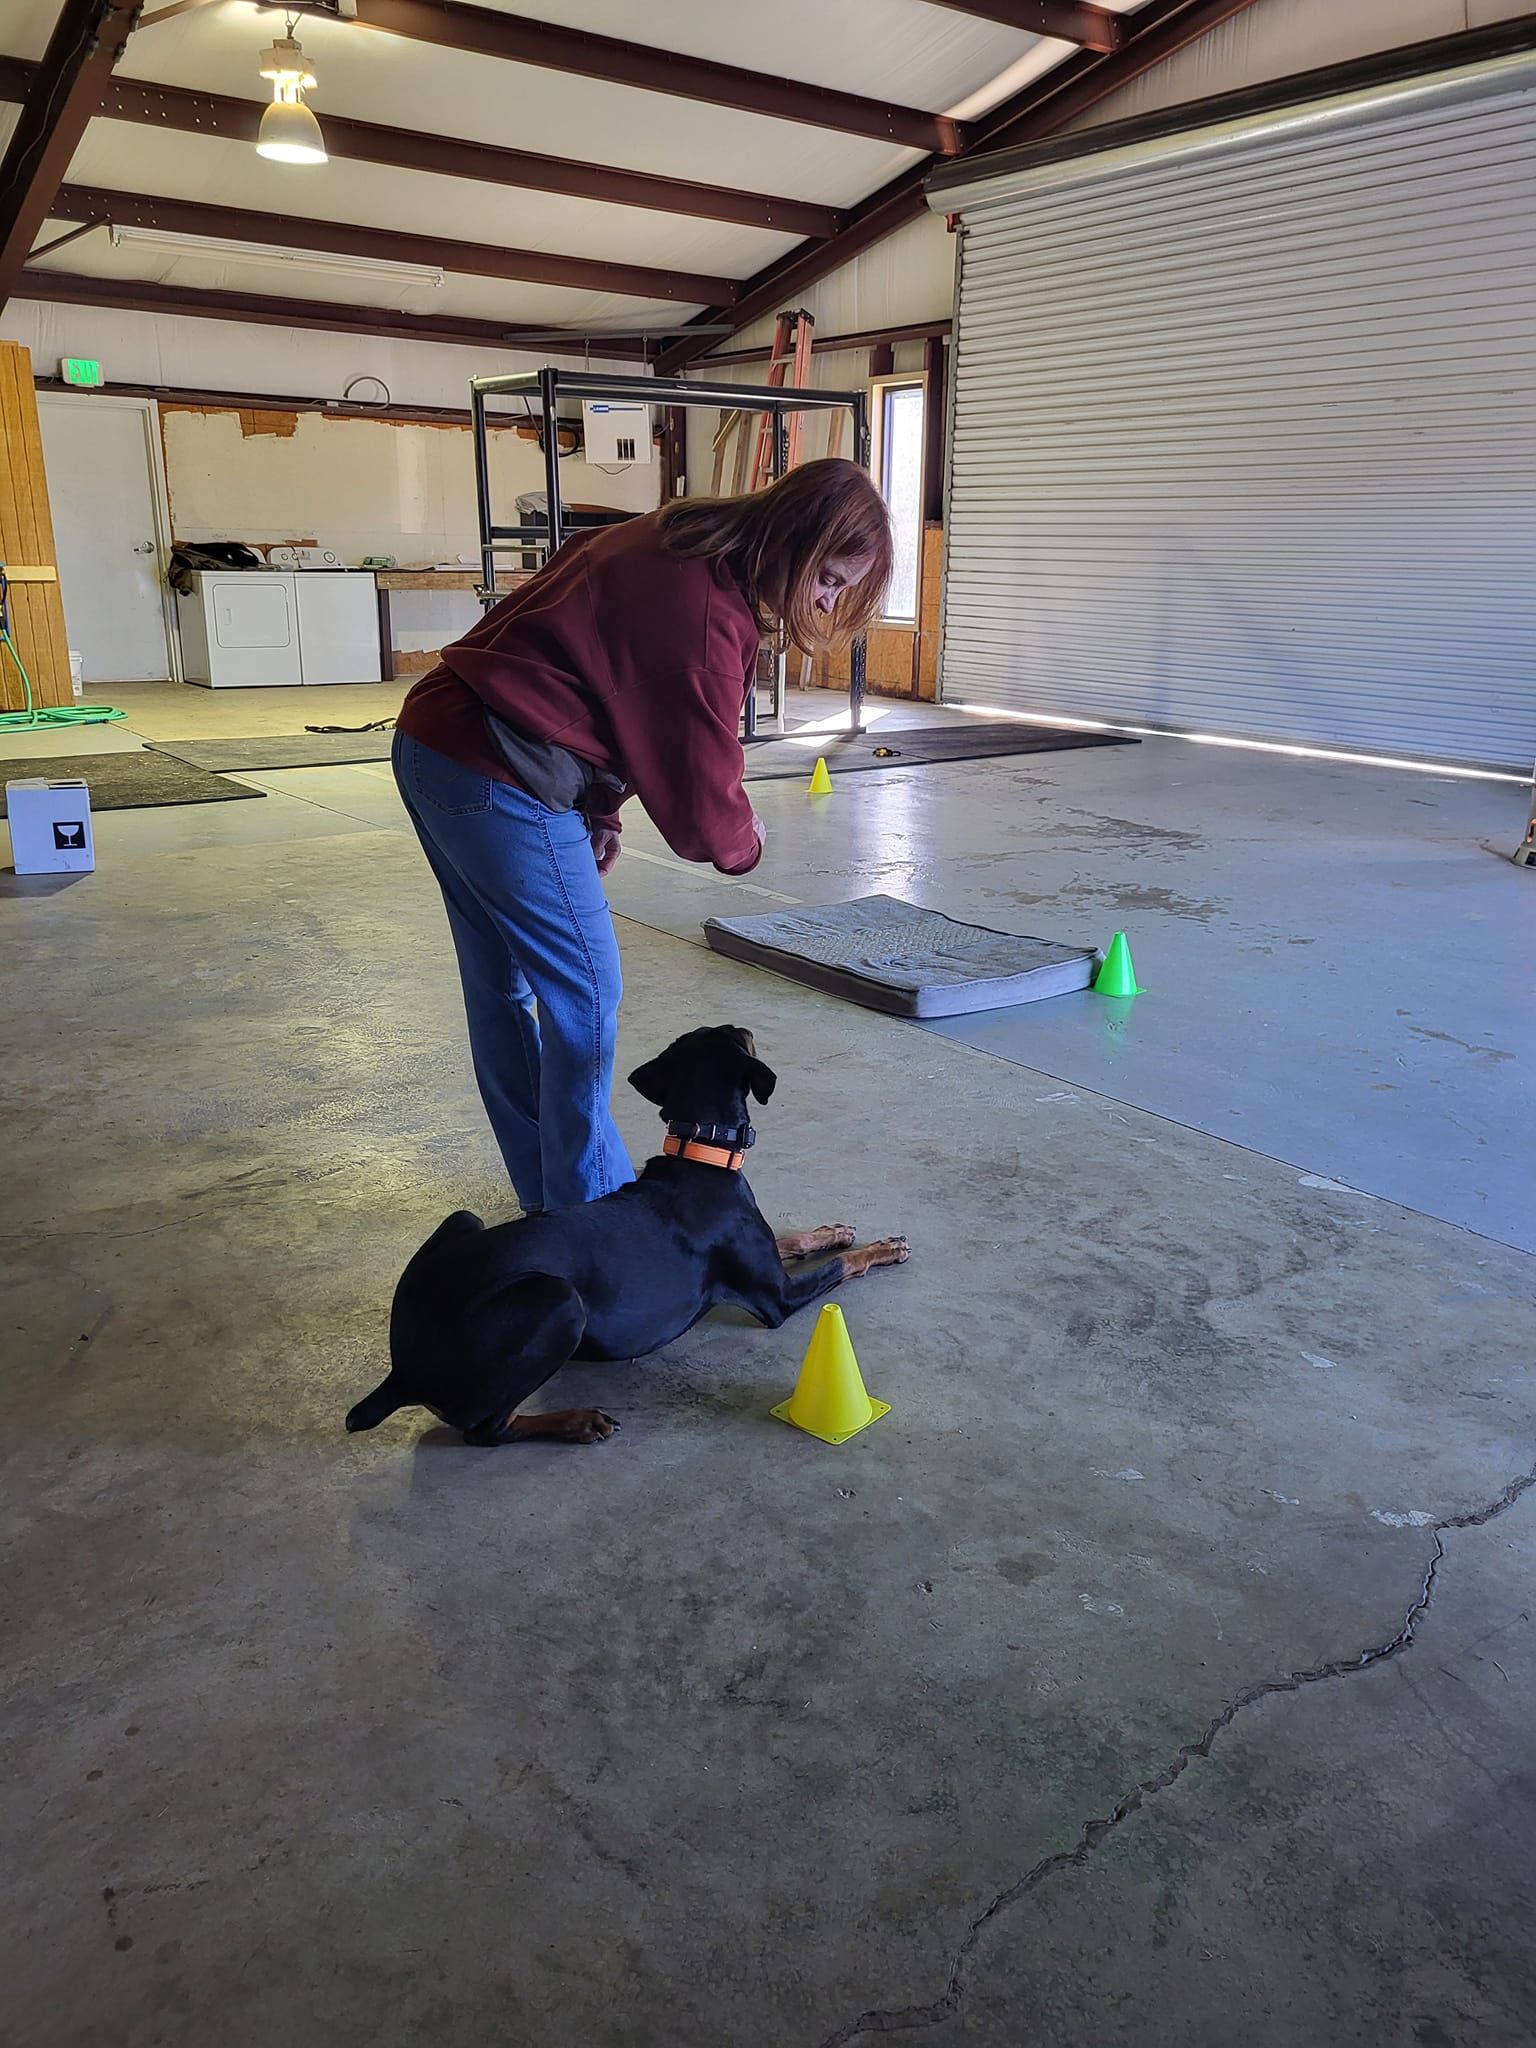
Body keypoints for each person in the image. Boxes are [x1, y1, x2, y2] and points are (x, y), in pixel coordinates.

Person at [392, 455, 894, 1215]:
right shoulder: (709, 616)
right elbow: (701, 807)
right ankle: (597, 1228)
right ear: (792, 537)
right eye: (827, 577)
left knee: (501, 991)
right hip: (502, 772)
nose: (826, 598)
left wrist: (596, 811)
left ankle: (552, 1205)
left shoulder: (673, 532)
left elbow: (586, 666)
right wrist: (746, 841)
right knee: (586, 998)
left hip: (436, 744)